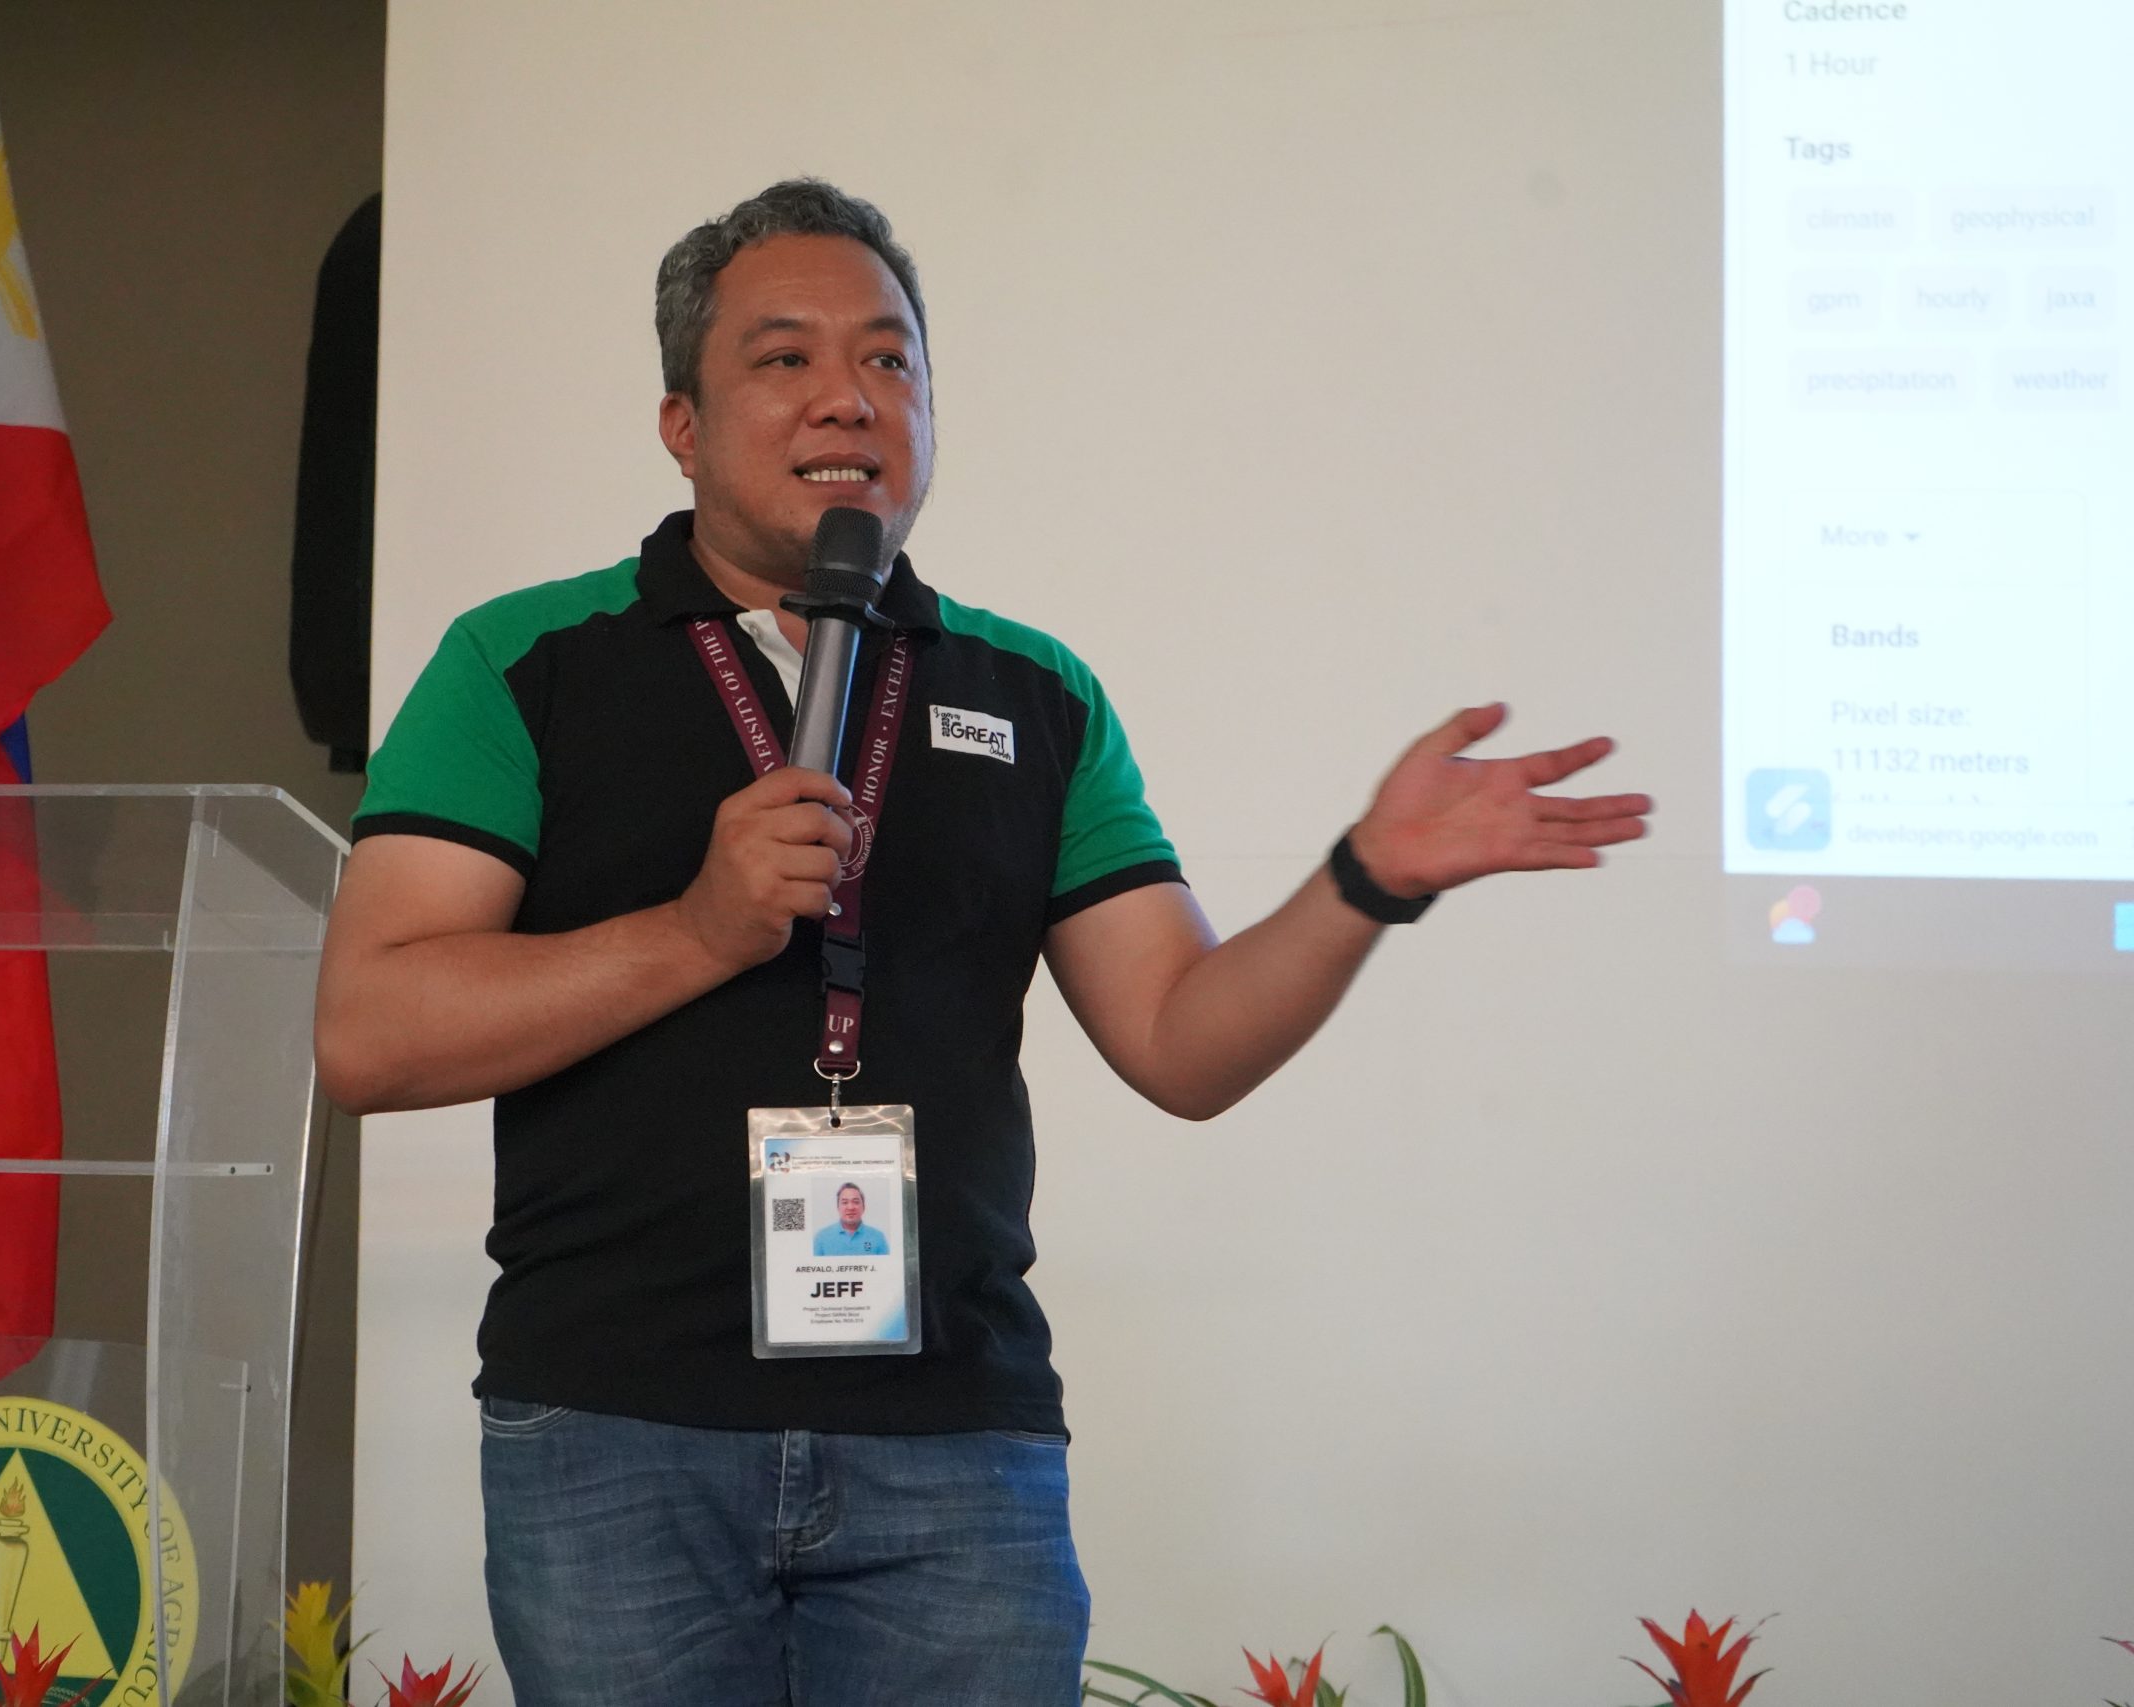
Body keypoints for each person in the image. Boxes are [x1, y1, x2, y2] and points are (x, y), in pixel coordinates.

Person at [314, 179, 1651, 1707]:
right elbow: (370, 1031)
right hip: (617, 1431)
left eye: (890, 360)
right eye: (785, 357)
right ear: (681, 422)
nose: (849, 396)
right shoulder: (523, 661)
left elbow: (1183, 1038)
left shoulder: (1033, 691)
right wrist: (696, 930)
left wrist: (1363, 879)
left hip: (953, 1442)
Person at [812, 1183, 887, 1257]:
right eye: (845, 1202)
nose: (850, 1207)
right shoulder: (822, 1237)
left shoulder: (878, 1237)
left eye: (856, 1202)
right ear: (838, 1207)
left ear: (863, 1207)